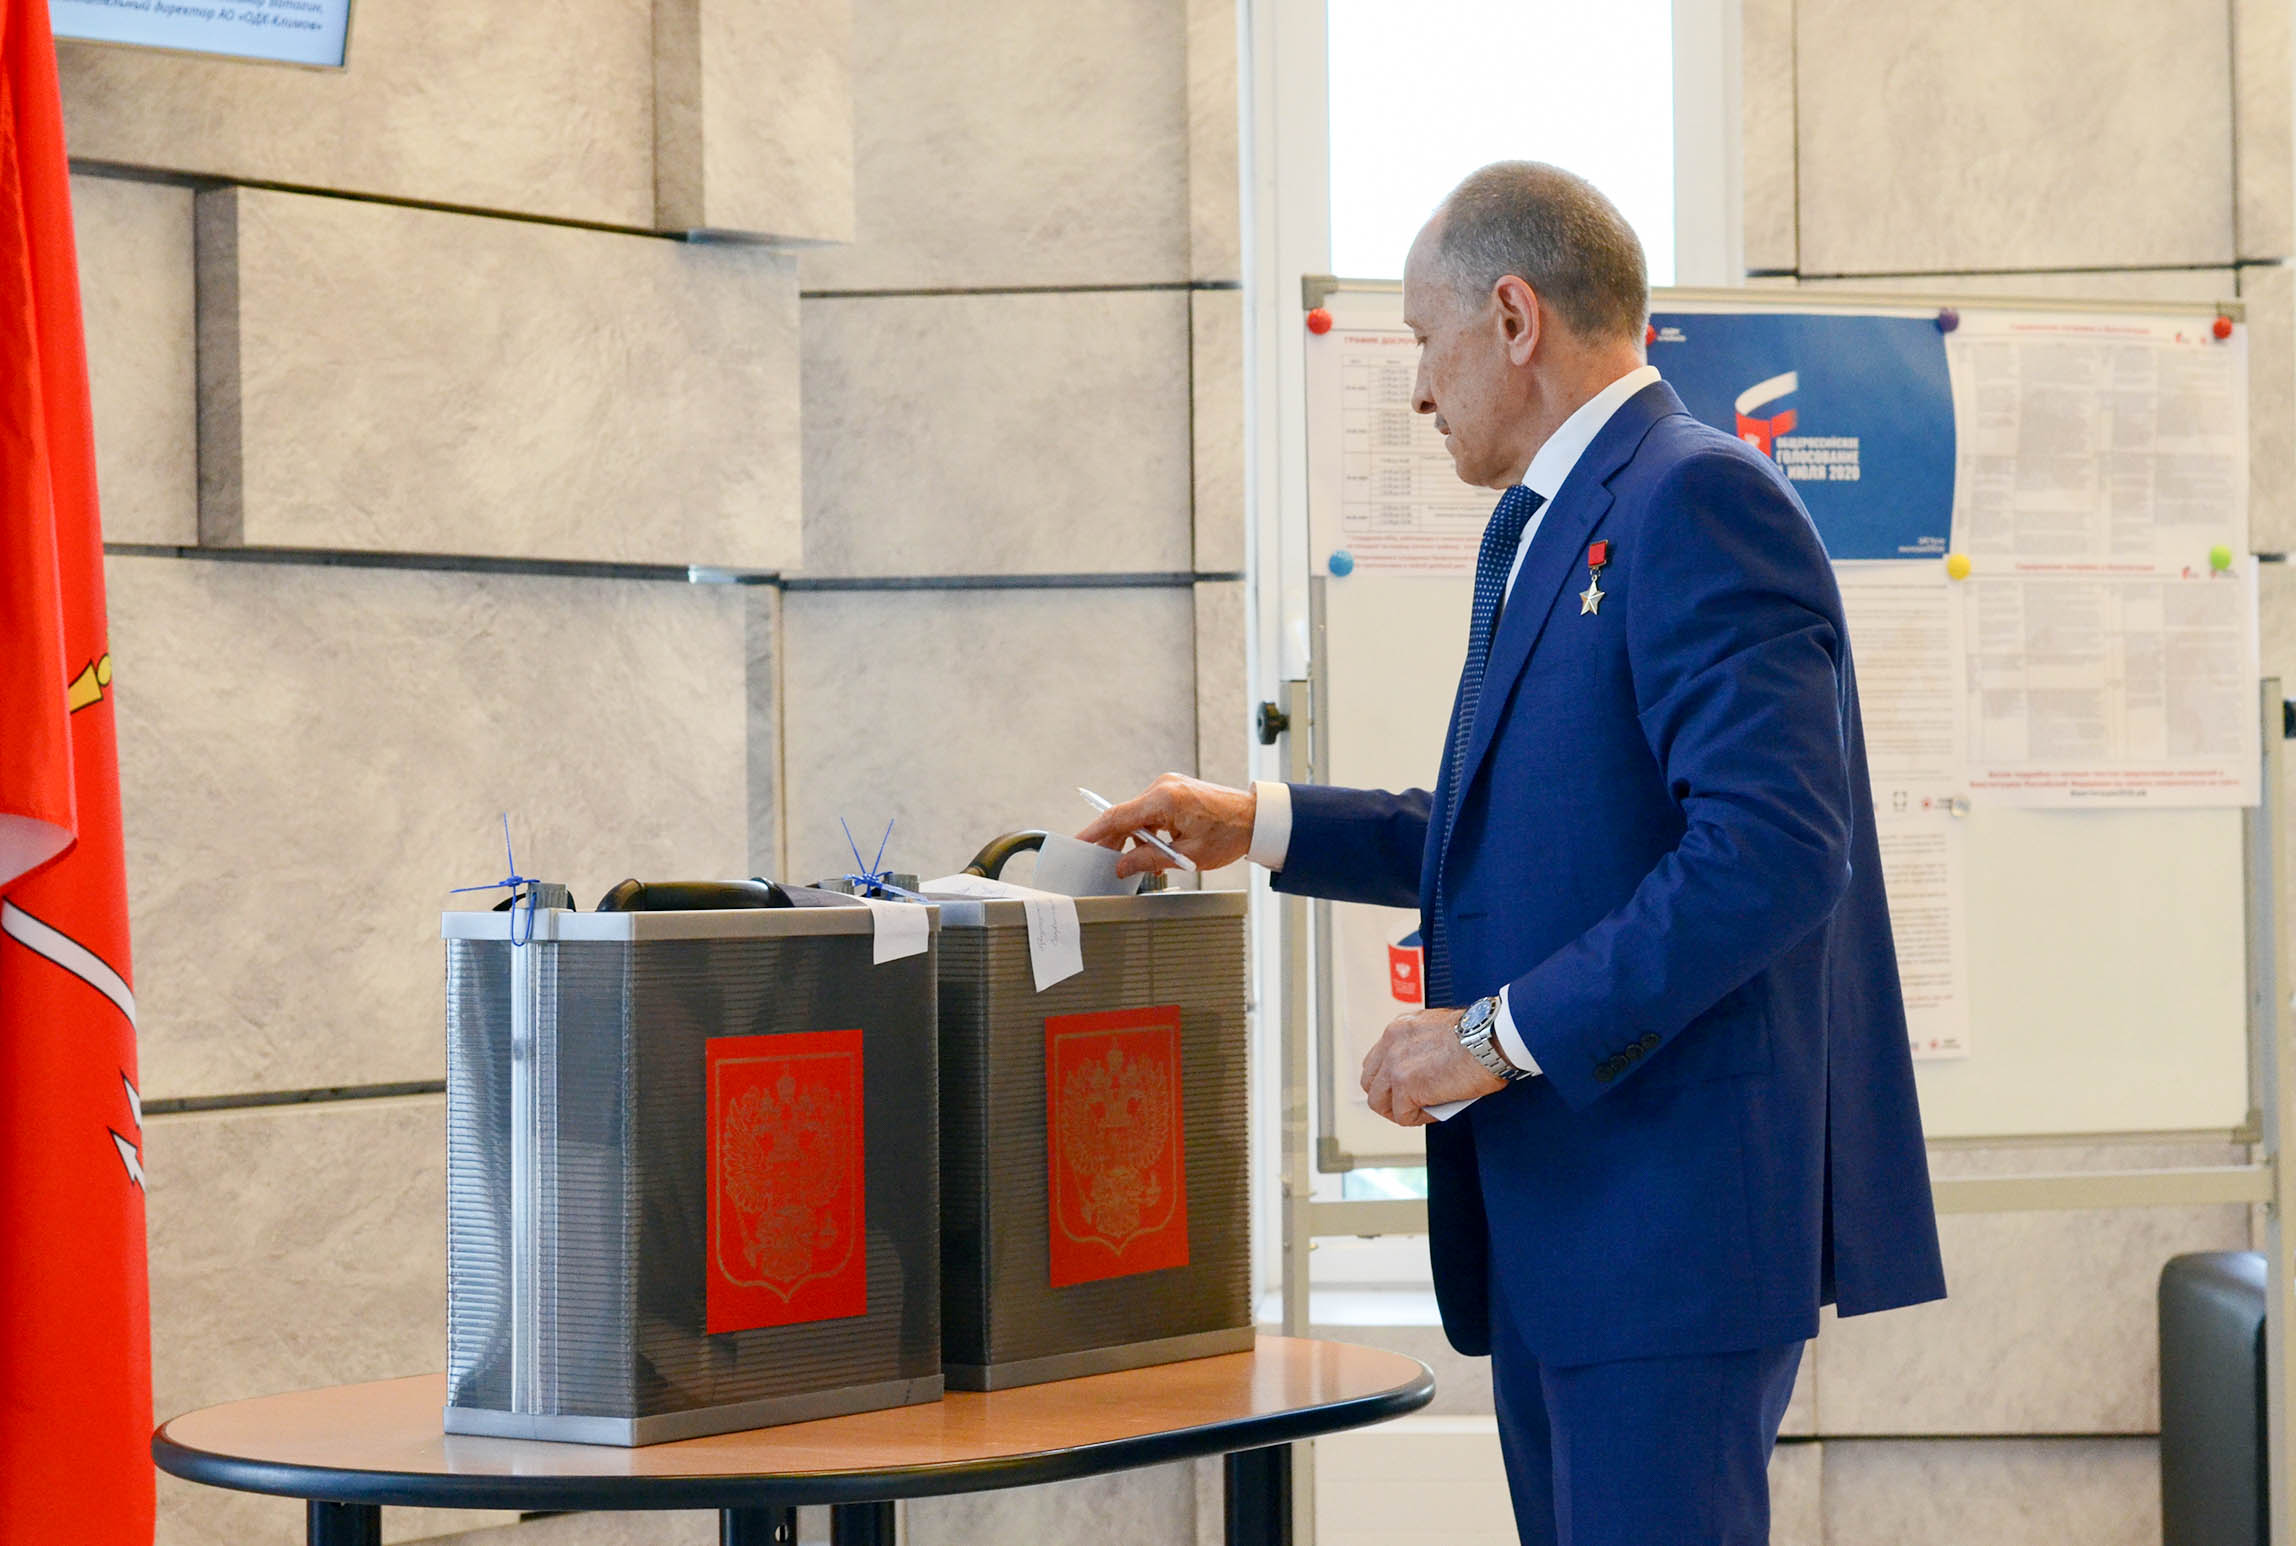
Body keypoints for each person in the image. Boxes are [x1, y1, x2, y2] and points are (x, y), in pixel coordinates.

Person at [1078, 161, 1946, 1545]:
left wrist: (1490, 1038)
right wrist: (1261, 823)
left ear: (1513, 317)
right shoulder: (1564, 516)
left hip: (1662, 1237)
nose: (1420, 391)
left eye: (1425, 342)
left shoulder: (1698, 499)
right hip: (1572, 1228)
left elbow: (1771, 853)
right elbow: (1533, 833)